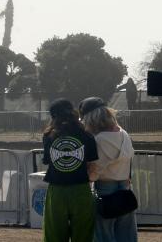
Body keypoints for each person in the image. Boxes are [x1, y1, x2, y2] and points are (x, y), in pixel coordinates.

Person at [41, 98, 99, 242]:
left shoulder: (49, 136)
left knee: (54, 234)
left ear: (53, 117)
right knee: (83, 233)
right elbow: (92, 166)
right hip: (80, 189)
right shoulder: (87, 135)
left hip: (57, 190)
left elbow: (48, 161)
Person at [80, 97, 137, 242]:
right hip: (125, 188)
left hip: (105, 189)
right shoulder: (124, 133)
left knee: (103, 235)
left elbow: (93, 174)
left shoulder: (98, 140)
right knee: (127, 234)